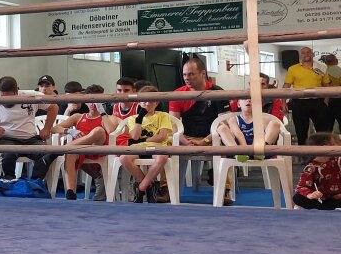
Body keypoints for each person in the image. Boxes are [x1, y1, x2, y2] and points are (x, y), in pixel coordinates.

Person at [169, 56, 232, 202]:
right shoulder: (178, 94)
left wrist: (206, 140)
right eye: (184, 74)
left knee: (224, 146)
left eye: (191, 74)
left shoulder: (217, 92)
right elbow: (173, 124)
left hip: (213, 137)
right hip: (187, 138)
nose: (187, 78)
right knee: (167, 146)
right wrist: (183, 140)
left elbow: (225, 122)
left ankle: (224, 190)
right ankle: (167, 189)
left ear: (203, 74)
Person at [0, 76, 56, 180]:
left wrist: (47, 128)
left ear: (16, 92)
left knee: (48, 152)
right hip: (7, 140)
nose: (4, 101)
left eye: (8, 98)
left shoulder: (30, 96)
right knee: (7, 154)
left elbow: (53, 107)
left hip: (30, 140)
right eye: (1, 96)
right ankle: (10, 182)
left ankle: (34, 183)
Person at [52, 84, 112, 200]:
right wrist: (69, 131)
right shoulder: (78, 117)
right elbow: (54, 128)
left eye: (97, 101)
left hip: (97, 147)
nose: (93, 104)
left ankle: (66, 148)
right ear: (86, 101)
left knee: (98, 130)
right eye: (91, 101)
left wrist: (102, 111)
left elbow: (112, 131)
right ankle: (70, 192)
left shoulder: (106, 118)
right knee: (69, 153)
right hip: (79, 150)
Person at [117, 89, 175, 203]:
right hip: (139, 147)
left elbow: (162, 136)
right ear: (139, 102)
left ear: (156, 103)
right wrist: (140, 118)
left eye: (151, 101)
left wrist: (145, 139)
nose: (147, 104)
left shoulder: (163, 116)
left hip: (157, 146)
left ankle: (141, 187)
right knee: (124, 158)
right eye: (144, 101)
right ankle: (149, 185)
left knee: (162, 158)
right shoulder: (133, 118)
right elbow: (135, 137)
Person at [282, 47, 329, 144]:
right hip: (299, 102)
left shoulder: (321, 67)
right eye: (303, 53)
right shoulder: (293, 69)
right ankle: (303, 157)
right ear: (300, 55)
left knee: (322, 132)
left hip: (318, 102)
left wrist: (326, 101)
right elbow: (286, 86)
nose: (306, 54)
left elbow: (326, 85)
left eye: (308, 52)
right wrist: (283, 103)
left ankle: (322, 155)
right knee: (301, 132)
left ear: (312, 54)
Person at [216, 96, 282, 162]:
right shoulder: (233, 119)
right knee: (222, 128)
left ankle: (259, 152)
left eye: (252, 99)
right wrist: (245, 150)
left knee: (274, 124)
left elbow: (259, 134)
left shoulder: (262, 118)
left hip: (260, 148)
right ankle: (237, 153)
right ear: (239, 104)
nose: (248, 100)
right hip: (239, 148)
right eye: (244, 98)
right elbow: (238, 133)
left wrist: (255, 150)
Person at [292, 132, 341, 210]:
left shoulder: (337, 161)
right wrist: (311, 194)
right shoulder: (311, 167)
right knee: (297, 198)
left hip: (335, 198)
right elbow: (301, 187)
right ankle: (325, 208)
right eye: (333, 144)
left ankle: (327, 208)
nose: (337, 146)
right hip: (319, 199)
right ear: (323, 147)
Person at [319, 53, 341, 133]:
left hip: (324, 100)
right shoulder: (339, 71)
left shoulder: (321, 71)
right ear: (337, 61)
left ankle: (327, 144)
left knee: (326, 126)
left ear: (325, 62)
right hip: (338, 100)